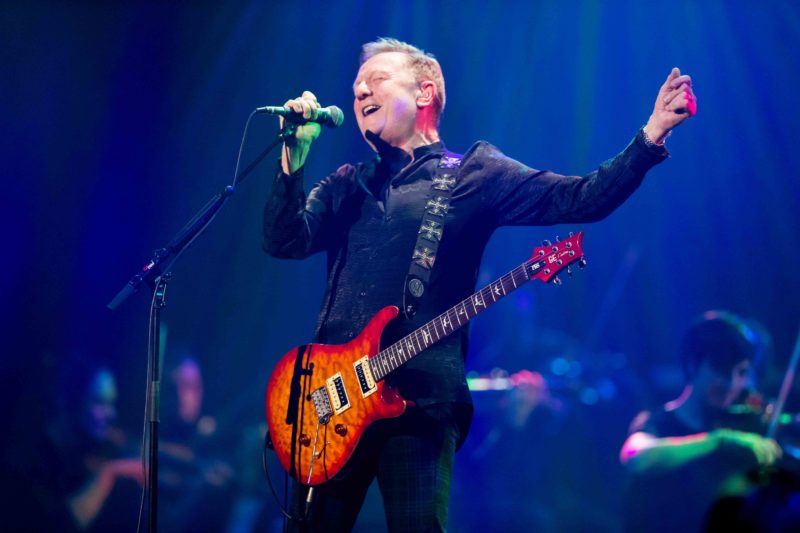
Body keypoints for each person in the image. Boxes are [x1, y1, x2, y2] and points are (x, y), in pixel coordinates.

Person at [263, 37, 696, 531]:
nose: (360, 92)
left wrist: (650, 136)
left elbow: (580, 199)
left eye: (376, 81)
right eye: (356, 86)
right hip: (328, 402)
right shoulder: (346, 185)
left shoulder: (473, 171)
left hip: (421, 402)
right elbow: (282, 241)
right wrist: (293, 159)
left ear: (425, 93)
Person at [619, 310, 782, 532]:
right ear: (693, 364)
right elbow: (636, 458)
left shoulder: (747, 427)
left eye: (741, 373)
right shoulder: (658, 422)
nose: (731, 384)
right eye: (721, 370)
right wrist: (717, 440)